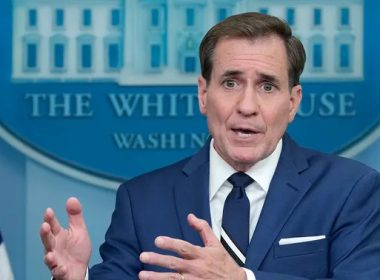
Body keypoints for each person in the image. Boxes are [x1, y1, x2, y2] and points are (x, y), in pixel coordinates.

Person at [40, 12, 380, 280]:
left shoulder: (351, 191)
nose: (247, 105)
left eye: (267, 87)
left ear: (293, 102)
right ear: (204, 94)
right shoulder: (140, 200)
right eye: (230, 83)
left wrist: (242, 279)